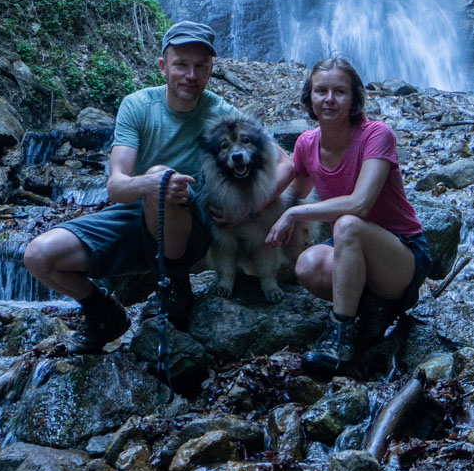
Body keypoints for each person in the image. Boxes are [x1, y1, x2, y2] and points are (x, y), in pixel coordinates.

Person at [23, 21, 293, 353]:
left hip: (187, 230)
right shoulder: (138, 106)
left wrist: (248, 210)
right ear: (163, 67)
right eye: (181, 65)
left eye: (200, 67)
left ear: (210, 71)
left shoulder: (222, 113)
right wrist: (150, 183)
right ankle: (103, 313)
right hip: (132, 217)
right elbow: (117, 187)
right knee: (38, 256)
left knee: (165, 179)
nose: (190, 75)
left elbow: (287, 164)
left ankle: (178, 289)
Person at [266, 56, 432, 375]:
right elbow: (295, 191)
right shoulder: (306, 143)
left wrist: (295, 215)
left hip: (403, 255)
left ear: (354, 98)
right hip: (351, 250)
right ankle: (370, 310)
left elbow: (359, 205)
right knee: (307, 264)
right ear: (309, 97)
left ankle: (340, 338)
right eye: (321, 91)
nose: (329, 100)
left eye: (339, 92)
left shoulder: (376, 135)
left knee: (348, 224)